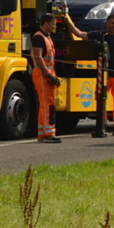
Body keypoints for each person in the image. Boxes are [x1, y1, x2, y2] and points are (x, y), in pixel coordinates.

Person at [65, 14, 114, 135]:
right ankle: (103, 124)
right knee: (101, 100)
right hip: (104, 74)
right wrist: (67, 22)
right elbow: (80, 34)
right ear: (106, 23)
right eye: (112, 23)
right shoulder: (100, 35)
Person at [32, 13, 62, 143]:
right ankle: (47, 134)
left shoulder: (47, 37)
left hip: (47, 74)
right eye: (53, 23)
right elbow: (38, 58)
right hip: (43, 74)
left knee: (48, 104)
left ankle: (45, 133)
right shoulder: (39, 37)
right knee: (46, 104)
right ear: (46, 23)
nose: (55, 26)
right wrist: (48, 74)